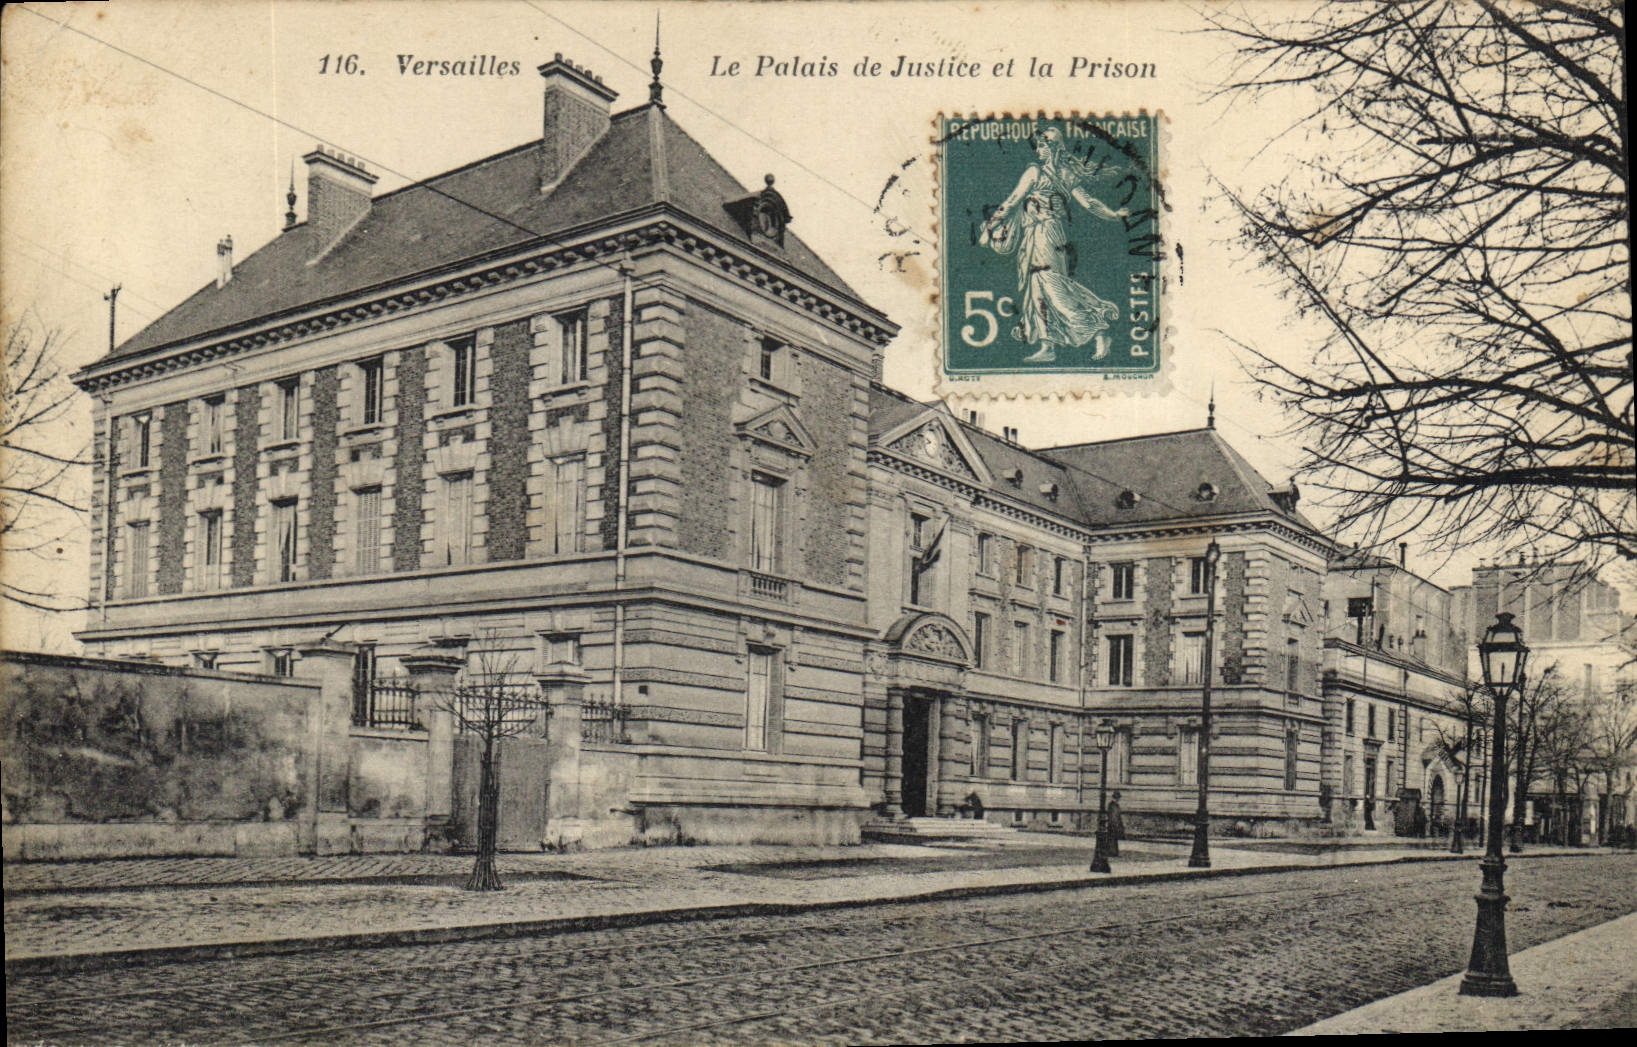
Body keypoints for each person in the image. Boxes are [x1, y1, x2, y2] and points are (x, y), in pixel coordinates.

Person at [979, 126, 1127, 364]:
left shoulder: (1036, 172)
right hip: (1038, 235)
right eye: (1037, 146)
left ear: (1054, 147)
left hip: (1045, 234)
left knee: (1052, 287)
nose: (1038, 150)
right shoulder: (1064, 174)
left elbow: (1012, 201)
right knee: (1037, 290)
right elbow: (1089, 203)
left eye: (1042, 145)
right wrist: (1113, 214)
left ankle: (1098, 330)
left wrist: (989, 228)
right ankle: (1047, 345)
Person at [1106, 790, 1124, 857]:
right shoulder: (1112, 805)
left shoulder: (1115, 805)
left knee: (1114, 839)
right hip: (1113, 824)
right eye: (1117, 798)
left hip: (1114, 824)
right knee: (1112, 839)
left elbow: (1117, 816)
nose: (1118, 799)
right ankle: (1112, 852)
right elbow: (1113, 816)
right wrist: (1116, 824)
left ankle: (1114, 852)